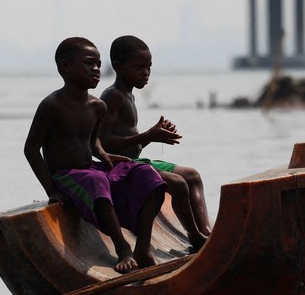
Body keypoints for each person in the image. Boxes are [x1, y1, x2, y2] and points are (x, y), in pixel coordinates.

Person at [24, 36, 166, 273]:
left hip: (91, 168)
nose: (97, 69)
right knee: (97, 180)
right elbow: (31, 149)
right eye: (89, 63)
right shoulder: (52, 105)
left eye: (99, 64)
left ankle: (142, 248)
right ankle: (123, 250)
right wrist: (52, 191)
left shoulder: (97, 106)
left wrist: (105, 155)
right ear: (65, 67)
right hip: (67, 175)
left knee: (146, 174)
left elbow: (93, 141)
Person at [99, 35, 211, 250]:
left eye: (149, 67)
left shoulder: (129, 95)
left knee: (192, 176)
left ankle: (206, 232)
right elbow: (104, 145)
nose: (146, 73)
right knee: (177, 183)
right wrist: (148, 135)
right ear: (118, 66)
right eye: (139, 67)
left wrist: (155, 137)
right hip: (120, 167)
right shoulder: (113, 96)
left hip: (136, 161)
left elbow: (132, 146)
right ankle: (195, 237)